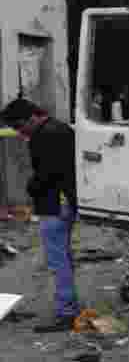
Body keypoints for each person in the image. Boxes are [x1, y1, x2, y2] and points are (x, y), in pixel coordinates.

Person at [0, 98, 82, 332]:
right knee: (63, 256)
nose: (19, 132)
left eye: (18, 126)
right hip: (66, 201)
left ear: (31, 118)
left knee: (58, 260)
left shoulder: (44, 135)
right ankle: (69, 304)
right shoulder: (60, 127)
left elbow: (46, 173)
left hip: (54, 204)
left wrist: (31, 188)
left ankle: (66, 312)